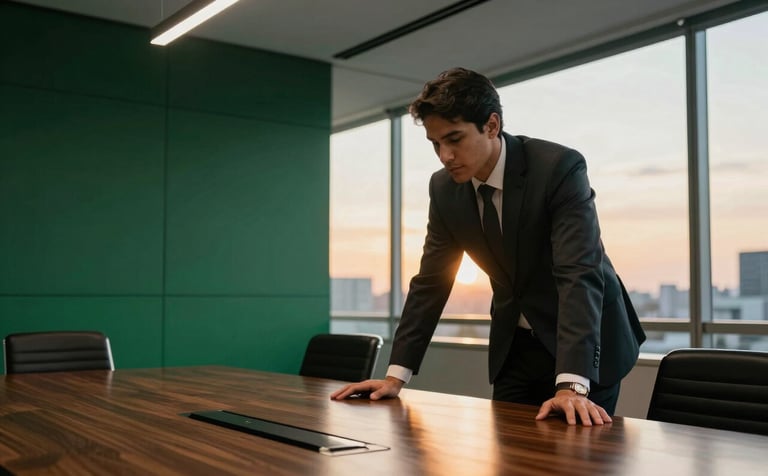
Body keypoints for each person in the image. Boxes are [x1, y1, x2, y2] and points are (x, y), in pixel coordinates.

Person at [331, 67, 645, 426]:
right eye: (435, 144)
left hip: (585, 344)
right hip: (516, 349)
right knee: (507, 449)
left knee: (577, 449)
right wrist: (394, 377)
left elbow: (577, 272)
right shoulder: (444, 189)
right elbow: (431, 281)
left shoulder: (557, 168)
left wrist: (572, 385)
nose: (445, 156)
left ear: (492, 125)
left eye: (454, 139)